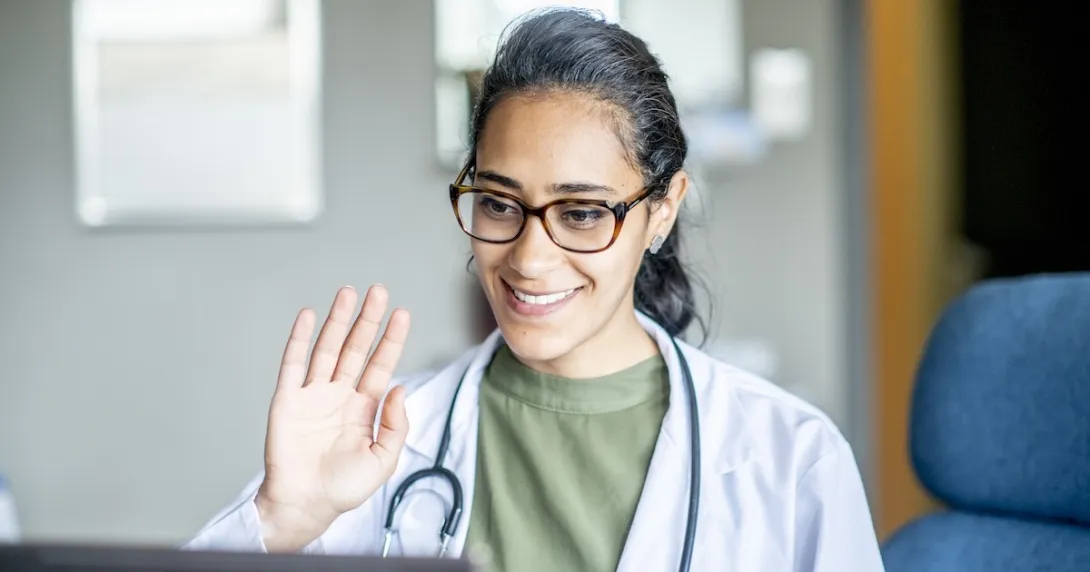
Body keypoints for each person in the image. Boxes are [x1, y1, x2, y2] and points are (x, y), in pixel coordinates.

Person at [185, 8, 886, 572]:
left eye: (581, 213)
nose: (529, 257)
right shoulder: (385, 442)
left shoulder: (790, 457)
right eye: (497, 204)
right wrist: (282, 517)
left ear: (663, 209)